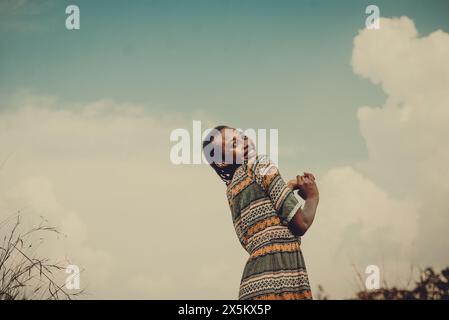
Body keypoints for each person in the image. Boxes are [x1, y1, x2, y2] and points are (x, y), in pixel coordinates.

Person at [203, 125, 319, 300]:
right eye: (234, 143)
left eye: (241, 136)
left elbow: (266, 221)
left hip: (254, 284)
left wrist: (287, 187)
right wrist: (312, 196)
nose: (244, 142)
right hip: (280, 276)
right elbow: (300, 224)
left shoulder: (232, 190)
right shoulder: (261, 163)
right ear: (222, 161)